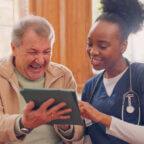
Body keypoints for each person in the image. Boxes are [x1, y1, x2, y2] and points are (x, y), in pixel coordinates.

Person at [0, 15, 83, 144]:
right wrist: (23, 123)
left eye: (46, 52)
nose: (40, 60)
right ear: (14, 48)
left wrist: (66, 126)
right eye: (33, 52)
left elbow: (79, 128)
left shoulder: (63, 75)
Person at [78, 0, 144, 144]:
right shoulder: (90, 87)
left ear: (123, 46)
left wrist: (101, 117)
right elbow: (87, 137)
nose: (93, 51)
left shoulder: (140, 75)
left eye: (102, 45)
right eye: (89, 44)